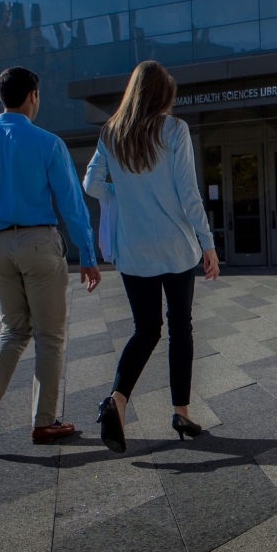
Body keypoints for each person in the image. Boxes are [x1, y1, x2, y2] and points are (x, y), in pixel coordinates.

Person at [0, 66, 102, 446]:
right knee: (49, 335)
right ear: (33, 95)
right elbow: (71, 203)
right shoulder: (48, 143)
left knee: (13, 328)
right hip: (37, 244)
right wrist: (88, 252)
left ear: (3, 97)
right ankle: (44, 421)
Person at [83, 60, 219, 454]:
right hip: (176, 248)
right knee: (181, 327)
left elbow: (91, 183)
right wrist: (207, 242)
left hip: (133, 250)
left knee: (145, 330)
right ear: (164, 96)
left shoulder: (112, 134)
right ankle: (181, 411)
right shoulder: (175, 131)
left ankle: (117, 401)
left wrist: (121, 193)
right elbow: (188, 194)